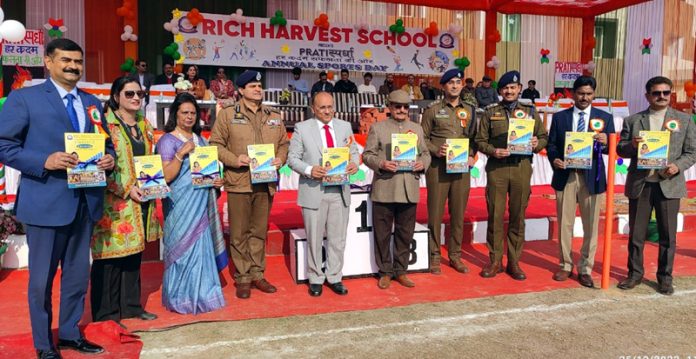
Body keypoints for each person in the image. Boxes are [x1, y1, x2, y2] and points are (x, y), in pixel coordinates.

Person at [0, 38, 115, 358]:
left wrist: (109, 159)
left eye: (78, 62)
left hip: (85, 203)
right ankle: (43, 345)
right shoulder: (25, 99)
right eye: (65, 60)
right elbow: (3, 146)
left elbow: (106, 146)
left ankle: (68, 333)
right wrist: (43, 161)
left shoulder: (92, 102)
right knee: (41, 282)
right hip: (46, 204)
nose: (73, 66)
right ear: (48, 62)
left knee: (78, 277)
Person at [209, 70, 289, 299]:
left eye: (259, 86)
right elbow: (215, 145)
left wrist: (280, 159)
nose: (257, 89)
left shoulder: (274, 115)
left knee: (259, 231)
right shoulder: (227, 115)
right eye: (252, 86)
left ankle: (257, 274)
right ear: (241, 91)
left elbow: (284, 144)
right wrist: (236, 160)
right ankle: (242, 277)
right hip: (239, 181)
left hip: (265, 182)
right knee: (239, 232)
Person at [90, 76, 161, 325]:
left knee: (134, 255)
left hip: (141, 198)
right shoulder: (105, 125)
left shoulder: (145, 125)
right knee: (109, 258)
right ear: (116, 95)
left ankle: (131, 307)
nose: (135, 98)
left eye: (139, 94)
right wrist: (125, 189)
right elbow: (96, 165)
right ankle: (106, 314)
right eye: (129, 94)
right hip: (114, 201)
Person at [616, 76, 696, 295]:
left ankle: (665, 277)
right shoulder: (633, 120)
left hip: (668, 184)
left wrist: (678, 166)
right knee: (636, 234)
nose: (661, 97)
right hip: (641, 184)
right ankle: (634, 274)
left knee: (668, 236)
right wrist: (631, 145)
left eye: (665, 93)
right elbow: (620, 150)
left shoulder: (685, 120)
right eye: (656, 93)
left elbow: (692, 152)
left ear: (671, 94)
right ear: (647, 95)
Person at [156, 92, 228, 313]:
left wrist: (216, 181)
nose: (189, 117)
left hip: (202, 204)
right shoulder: (167, 141)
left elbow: (206, 170)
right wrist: (180, 154)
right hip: (180, 203)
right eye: (184, 112)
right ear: (175, 114)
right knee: (181, 248)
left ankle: (205, 294)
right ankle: (180, 298)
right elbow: (165, 176)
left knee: (201, 247)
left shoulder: (202, 140)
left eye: (192, 113)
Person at [475, 70, 548, 280]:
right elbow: (480, 140)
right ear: (500, 91)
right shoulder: (491, 112)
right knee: (496, 215)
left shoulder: (530, 111)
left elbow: (543, 136)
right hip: (497, 167)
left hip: (521, 167)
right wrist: (492, 151)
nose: (509, 91)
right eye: (505, 88)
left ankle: (514, 262)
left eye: (513, 87)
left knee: (518, 216)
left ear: (519, 89)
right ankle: (495, 261)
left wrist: (536, 144)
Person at [287, 92, 360, 296]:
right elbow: (292, 158)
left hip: (339, 190)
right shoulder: (302, 128)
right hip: (314, 189)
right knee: (314, 237)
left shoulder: (344, 127)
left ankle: (335, 276)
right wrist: (310, 170)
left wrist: (354, 164)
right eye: (322, 108)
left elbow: (353, 151)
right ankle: (316, 278)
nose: (327, 111)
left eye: (330, 107)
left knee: (338, 238)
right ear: (313, 108)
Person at [546, 75, 614, 288]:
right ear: (572, 94)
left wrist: (606, 141)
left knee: (591, 225)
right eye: (581, 93)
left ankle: (585, 268)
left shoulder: (604, 118)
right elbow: (552, 145)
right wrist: (555, 159)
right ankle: (566, 265)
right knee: (565, 223)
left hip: (592, 177)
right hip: (567, 175)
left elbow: (612, 149)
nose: (584, 97)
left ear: (594, 94)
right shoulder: (560, 117)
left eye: (589, 94)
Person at [362, 90, 431, 289]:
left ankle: (401, 271)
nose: (402, 110)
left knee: (405, 233)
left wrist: (421, 163)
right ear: (389, 107)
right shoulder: (378, 128)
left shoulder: (416, 129)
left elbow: (425, 153)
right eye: (397, 106)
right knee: (382, 234)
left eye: (405, 107)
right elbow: (367, 155)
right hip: (385, 187)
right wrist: (381, 163)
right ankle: (384, 271)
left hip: (409, 187)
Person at [421, 69, 478, 275]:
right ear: (443, 86)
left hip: (462, 168)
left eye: (458, 82)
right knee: (435, 213)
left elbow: (474, 139)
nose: (454, 86)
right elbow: (422, 139)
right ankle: (434, 255)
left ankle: (455, 255)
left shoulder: (471, 111)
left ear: (462, 85)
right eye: (450, 83)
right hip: (438, 168)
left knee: (458, 213)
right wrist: (437, 150)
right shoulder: (432, 110)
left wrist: (473, 155)